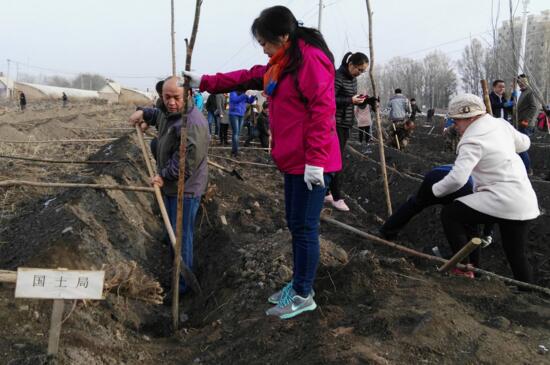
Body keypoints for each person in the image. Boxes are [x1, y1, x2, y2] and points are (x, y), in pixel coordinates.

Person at [184, 5, 341, 319]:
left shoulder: (310, 60)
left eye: (265, 43)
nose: (264, 49)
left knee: (307, 228)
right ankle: (297, 283)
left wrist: (315, 161)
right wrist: (206, 80)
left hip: (312, 162)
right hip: (294, 159)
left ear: (282, 36)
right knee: (296, 225)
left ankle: (303, 293)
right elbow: (249, 76)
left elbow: (323, 111)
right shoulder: (282, 62)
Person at [433, 93, 539, 284]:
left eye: (457, 120)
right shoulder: (500, 124)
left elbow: (457, 179)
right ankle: (527, 293)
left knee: (451, 214)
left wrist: (435, 191)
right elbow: (525, 143)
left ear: (471, 117)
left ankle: (464, 268)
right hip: (524, 201)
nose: (455, 125)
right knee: (516, 254)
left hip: (501, 199)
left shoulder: (471, 140)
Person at [127, 76, 209, 294]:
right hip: (172, 184)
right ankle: (171, 257)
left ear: (189, 95)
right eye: (167, 97)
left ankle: (182, 285)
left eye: (177, 97)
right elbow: (158, 114)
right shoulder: (167, 111)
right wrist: (144, 113)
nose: (171, 102)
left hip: (186, 187)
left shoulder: (193, 123)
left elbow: (185, 163)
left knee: (182, 237)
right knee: (174, 230)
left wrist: (163, 176)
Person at [379, 165, 494, 276]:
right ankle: (468, 269)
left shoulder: (483, 176)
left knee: (415, 204)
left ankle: (386, 231)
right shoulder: (493, 191)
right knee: (470, 228)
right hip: (460, 186)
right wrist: (487, 234)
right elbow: (491, 214)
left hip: (436, 175)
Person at [325, 51, 375, 212]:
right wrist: (350, 100)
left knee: (335, 159)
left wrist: (367, 100)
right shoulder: (337, 76)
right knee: (335, 161)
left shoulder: (352, 79)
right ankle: (337, 197)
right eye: (359, 70)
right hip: (335, 123)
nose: (360, 74)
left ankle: (326, 192)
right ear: (351, 65)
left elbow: (351, 97)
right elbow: (329, 99)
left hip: (346, 123)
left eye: (363, 71)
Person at [515, 74, 538, 175]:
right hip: (520, 123)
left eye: (522, 81)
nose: (521, 84)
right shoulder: (522, 93)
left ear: (527, 81)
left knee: (521, 147)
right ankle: (524, 169)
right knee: (520, 146)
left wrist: (526, 120)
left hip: (526, 124)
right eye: (519, 82)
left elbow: (534, 107)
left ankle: (528, 170)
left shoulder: (530, 92)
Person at [228, 91, 256, 157]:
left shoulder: (243, 93)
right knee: (236, 133)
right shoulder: (233, 92)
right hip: (234, 114)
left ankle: (233, 150)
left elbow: (250, 101)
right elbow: (235, 100)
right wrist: (244, 94)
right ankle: (236, 151)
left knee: (237, 133)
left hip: (241, 114)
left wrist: (253, 96)